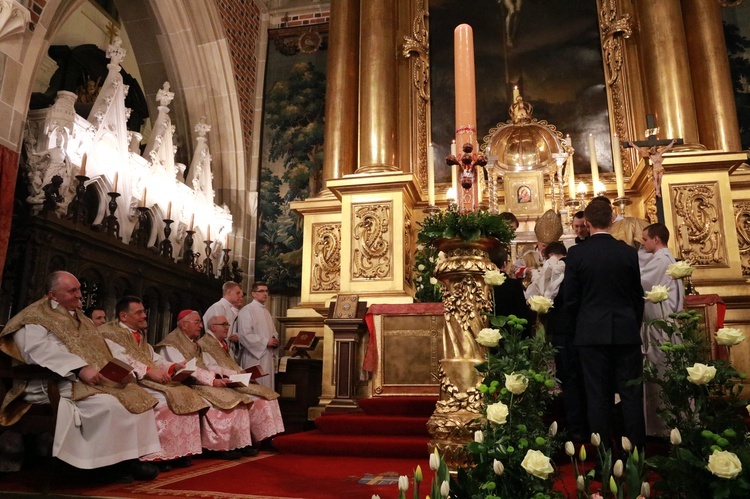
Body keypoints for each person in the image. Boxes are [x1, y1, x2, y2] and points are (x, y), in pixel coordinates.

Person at [0, 271, 160, 480]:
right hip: (49, 382)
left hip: (84, 381)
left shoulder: (81, 319)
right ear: (53, 295)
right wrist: (79, 368)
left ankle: (128, 460)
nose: (79, 295)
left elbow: (101, 348)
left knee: (137, 396)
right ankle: (97, 467)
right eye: (72, 291)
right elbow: (36, 351)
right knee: (107, 405)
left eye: (79, 290)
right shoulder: (34, 317)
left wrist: (120, 369)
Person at [564, 201, 645, 452]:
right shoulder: (628, 252)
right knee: (631, 396)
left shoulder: (577, 254)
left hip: (590, 334)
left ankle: (604, 460)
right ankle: (636, 456)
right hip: (625, 332)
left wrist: (580, 326)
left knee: (597, 397)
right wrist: (632, 324)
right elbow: (636, 296)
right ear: (612, 220)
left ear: (586, 223)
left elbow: (570, 298)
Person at [100, 296, 210, 469]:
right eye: (139, 312)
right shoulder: (110, 334)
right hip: (127, 382)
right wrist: (149, 372)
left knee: (184, 393)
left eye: (144, 311)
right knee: (163, 401)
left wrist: (173, 366)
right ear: (123, 316)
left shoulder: (139, 335)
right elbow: (122, 359)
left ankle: (178, 452)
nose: (144, 315)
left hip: (144, 380)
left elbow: (154, 358)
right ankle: (157, 455)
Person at [155, 310, 256, 459]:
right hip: (186, 384)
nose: (201, 326)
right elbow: (187, 369)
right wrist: (212, 380)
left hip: (200, 382)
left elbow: (206, 364)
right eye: (197, 322)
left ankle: (238, 443)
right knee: (223, 402)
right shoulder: (172, 344)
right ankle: (219, 447)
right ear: (184, 325)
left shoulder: (194, 343)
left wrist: (227, 375)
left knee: (236, 398)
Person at [200, 315, 285, 448]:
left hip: (233, 378)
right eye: (224, 325)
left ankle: (269, 436)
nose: (227, 328)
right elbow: (210, 366)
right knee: (254, 399)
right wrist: (236, 374)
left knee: (267, 394)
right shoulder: (205, 344)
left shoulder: (220, 343)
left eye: (228, 325)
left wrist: (243, 372)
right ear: (213, 327)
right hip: (221, 382)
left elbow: (230, 364)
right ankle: (257, 440)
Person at [535, 242, 589, 441]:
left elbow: (546, 297)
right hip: (583, 330)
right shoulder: (579, 269)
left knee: (569, 379)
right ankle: (588, 425)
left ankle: (576, 427)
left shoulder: (555, 269)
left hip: (564, 332)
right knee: (584, 379)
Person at [639, 223, 684, 436]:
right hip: (660, 322)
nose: (642, 242)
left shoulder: (660, 261)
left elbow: (640, 282)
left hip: (660, 324)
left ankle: (664, 427)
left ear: (656, 239)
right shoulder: (665, 258)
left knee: (661, 370)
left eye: (645, 239)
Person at [236, 282, 279, 389]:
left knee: (267, 387)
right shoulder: (247, 310)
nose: (265, 294)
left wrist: (274, 340)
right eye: (261, 291)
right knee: (255, 388)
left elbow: (273, 332)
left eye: (266, 291)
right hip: (254, 357)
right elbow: (245, 335)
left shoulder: (266, 312)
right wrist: (266, 342)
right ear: (254, 294)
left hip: (267, 356)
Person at [203, 281, 244, 360]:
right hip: (216, 350)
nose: (239, 296)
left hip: (227, 349)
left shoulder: (229, 309)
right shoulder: (217, 307)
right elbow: (214, 333)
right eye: (237, 293)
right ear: (229, 292)